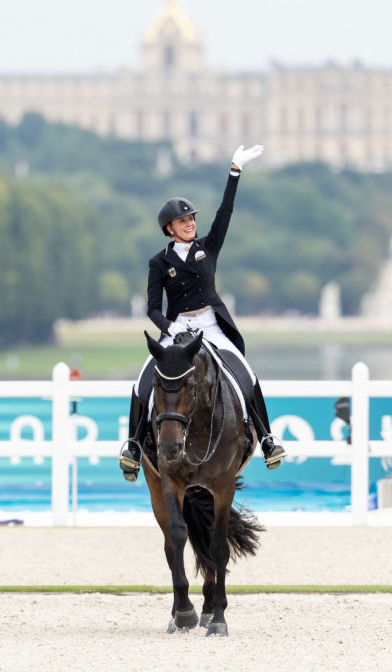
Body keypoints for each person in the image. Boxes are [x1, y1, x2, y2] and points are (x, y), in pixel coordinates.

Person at [119, 144, 287, 482]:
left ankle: (267, 439)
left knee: (247, 375)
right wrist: (168, 326)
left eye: (192, 219)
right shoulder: (159, 262)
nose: (190, 224)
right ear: (169, 228)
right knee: (143, 378)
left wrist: (234, 172)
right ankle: (134, 445)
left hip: (211, 325)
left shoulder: (207, 247)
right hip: (176, 328)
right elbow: (152, 307)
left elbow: (225, 212)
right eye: (183, 221)